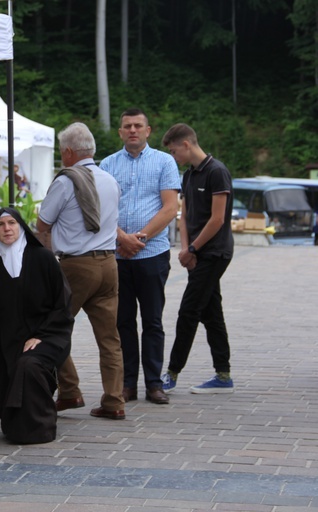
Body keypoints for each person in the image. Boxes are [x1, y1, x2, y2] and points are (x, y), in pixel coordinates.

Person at [0, 208, 74, 444]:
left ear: (21, 227)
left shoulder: (43, 258)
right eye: (1, 225)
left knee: (28, 364)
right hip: (6, 343)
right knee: (17, 361)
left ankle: (40, 426)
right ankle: (16, 425)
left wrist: (42, 335)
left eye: (12, 223)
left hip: (48, 338)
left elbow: (62, 304)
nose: (7, 229)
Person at [37, 122, 125, 420]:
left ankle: (71, 390)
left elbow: (43, 223)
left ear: (70, 152)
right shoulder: (110, 180)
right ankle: (114, 401)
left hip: (76, 265)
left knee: (51, 327)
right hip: (109, 264)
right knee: (109, 337)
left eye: (62, 152)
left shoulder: (65, 181)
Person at [100, 108, 181, 405]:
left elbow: (170, 208)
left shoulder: (164, 161)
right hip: (117, 255)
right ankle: (128, 384)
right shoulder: (107, 165)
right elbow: (101, 209)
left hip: (152, 254)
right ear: (120, 132)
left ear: (148, 131)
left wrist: (140, 238)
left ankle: (154, 383)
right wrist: (122, 237)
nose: (132, 130)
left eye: (138, 126)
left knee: (152, 321)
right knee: (122, 322)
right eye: (127, 126)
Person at [161, 123, 235, 393]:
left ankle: (171, 373)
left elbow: (217, 219)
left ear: (186, 145)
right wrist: (186, 250)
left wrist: (192, 250)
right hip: (196, 253)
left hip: (215, 252)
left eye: (173, 151)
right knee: (211, 312)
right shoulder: (189, 176)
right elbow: (185, 217)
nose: (173, 156)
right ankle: (223, 376)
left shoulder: (217, 172)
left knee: (189, 311)